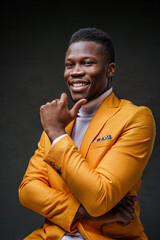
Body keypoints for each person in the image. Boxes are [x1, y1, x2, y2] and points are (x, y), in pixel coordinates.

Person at [19, 28, 156, 240]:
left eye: (87, 63)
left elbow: (99, 198)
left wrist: (56, 133)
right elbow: (27, 190)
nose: (75, 71)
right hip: (51, 235)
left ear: (110, 69)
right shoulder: (59, 121)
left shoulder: (135, 118)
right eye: (69, 64)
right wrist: (84, 213)